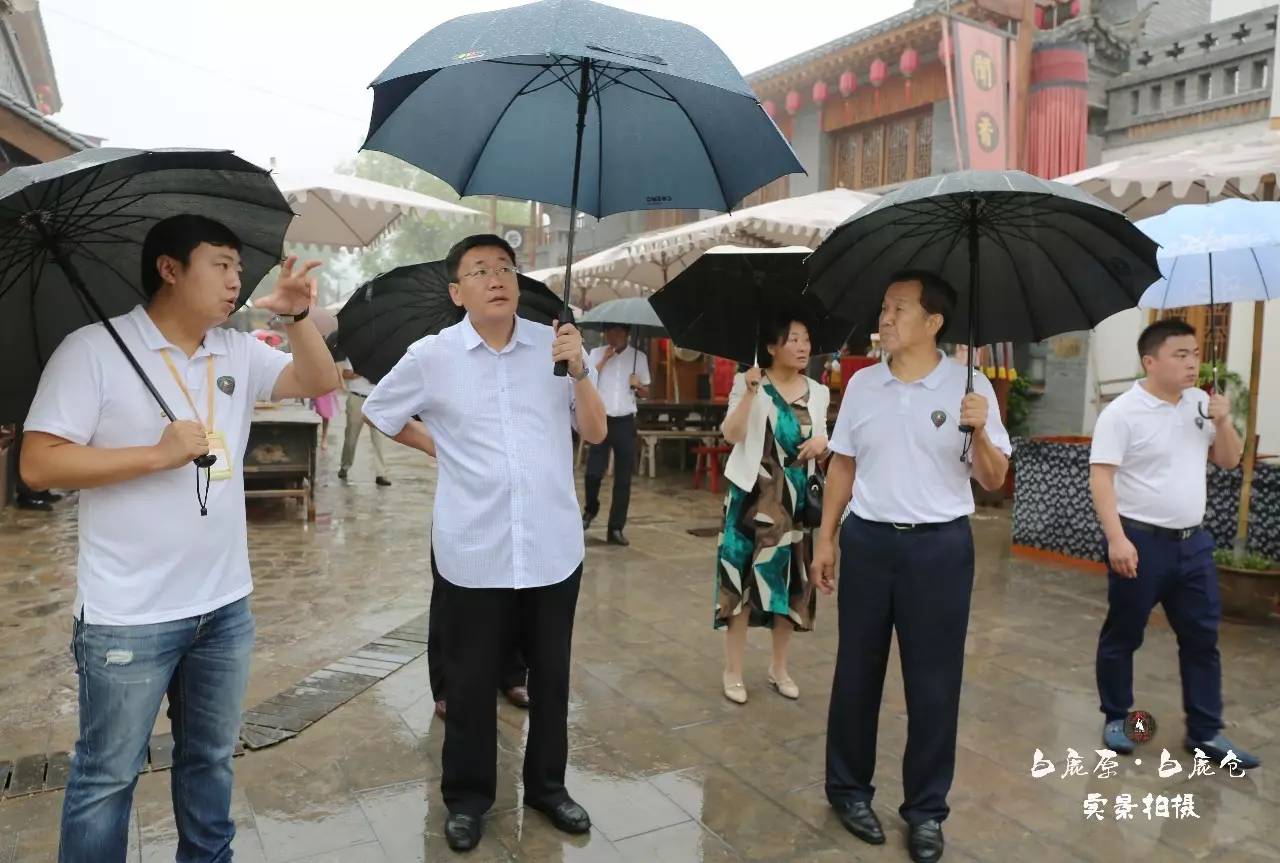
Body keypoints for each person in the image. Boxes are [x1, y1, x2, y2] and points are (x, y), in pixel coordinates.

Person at [20, 214, 338, 863]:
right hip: (128, 618)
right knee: (107, 779)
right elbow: (38, 462)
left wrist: (301, 318)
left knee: (210, 761)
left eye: (238, 268)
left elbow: (318, 382)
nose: (235, 280)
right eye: (220, 264)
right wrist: (155, 455)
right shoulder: (93, 350)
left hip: (224, 607)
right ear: (170, 268)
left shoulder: (237, 350)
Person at [361, 234, 607, 853]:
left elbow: (597, 430)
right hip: (475, 548)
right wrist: (438, 446)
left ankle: (549, 788)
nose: (495, 277)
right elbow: (381, 412)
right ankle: (468, 798)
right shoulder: (433, 355)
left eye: (504, 267)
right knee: (469, 683)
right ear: (457, 291)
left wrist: (578, 369)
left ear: (518, 281)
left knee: (551, 677)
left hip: (552, 546)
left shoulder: (554, 346)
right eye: (479, 270)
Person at [814, 271, 1011, 863]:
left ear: (934, 323)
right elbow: (843, 466)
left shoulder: (970, 389)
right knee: (856, 673)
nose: (886, 317)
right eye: (884, 306)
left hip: (940, 551)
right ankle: (848, 790)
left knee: (933, 685)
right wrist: (826, 538)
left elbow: (995, 478)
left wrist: (977, 430)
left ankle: (926, 811)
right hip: (870, 544)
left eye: (899, 308)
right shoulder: (862, 385)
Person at [1090, 318, 1259, 769]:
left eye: (1195, 354)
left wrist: (1223, 422)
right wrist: (1116, 539)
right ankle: (1116, 716)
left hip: (1193, 545)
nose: (1191, 363)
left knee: (1202, 639)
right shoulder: (1122, 412)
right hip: (1140, 543)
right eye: (1180, 355)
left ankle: (1206, 733)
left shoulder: (1202, 403)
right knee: (1124, 634)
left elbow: (1228, 459)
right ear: (1150, 361)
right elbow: (1101, 476)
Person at [715, 315, 828, 705]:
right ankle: (733, 671)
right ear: (772, 347)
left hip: (795, 503)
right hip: (751, 498)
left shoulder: (818, 391)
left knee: (790, 584)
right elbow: (731, 435)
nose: (802, 346)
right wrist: (748, 394)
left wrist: (821, 444)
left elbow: (823, 435)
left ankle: (779, 668)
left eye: (806, 339)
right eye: (793, 338)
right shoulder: (749, 383)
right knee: (743, 585)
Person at [582, 323, 650, 545]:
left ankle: (616, 528)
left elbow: (646, 392)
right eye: (610, 332)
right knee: (593, 472)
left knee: (623, 478)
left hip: (625, 421)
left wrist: (637, 384)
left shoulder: (638, 357)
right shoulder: (596, 353)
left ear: (627, 334)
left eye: (618, 332)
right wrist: (604, 361)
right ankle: (591, 509)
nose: (613, 336)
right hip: (601, 419)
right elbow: (586, 379)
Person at [336, 358, 391, 486]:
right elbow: (345, 374)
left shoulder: (385, 357)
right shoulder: (356, 354)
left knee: (379, 439)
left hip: (376, 400)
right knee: (351, 437)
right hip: (356, 397)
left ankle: (381, 473)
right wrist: (363, 371)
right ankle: (345, 466)